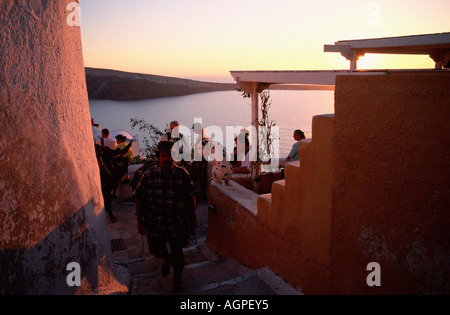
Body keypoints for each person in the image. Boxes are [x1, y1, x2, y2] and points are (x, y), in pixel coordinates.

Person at [134, 141, 197, 292]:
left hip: (177, 222)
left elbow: (190, 198)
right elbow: (139, 198)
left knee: (178, 252)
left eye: (170, 156)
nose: (167, 159)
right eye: (163, 156)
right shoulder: (149, 175)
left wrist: (192, 218)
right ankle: (166, 259)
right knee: (157, 251)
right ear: (159, 158)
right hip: (155, 222)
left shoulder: (182, 175)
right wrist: (139, 221)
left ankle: (177, 281)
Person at [190, 122, 210, 200]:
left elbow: (201, 150)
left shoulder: (202, 137)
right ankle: (202, 194)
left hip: (201, 159)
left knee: (198, 177)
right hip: (203, 159)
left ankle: (200, 195)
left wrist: (197, 162)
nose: (194, 131)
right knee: (202, 177)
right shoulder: (204, 136)